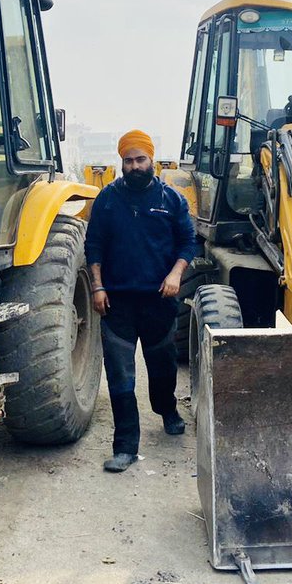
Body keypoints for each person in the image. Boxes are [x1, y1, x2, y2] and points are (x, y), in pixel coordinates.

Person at [84, 129, 196, 473]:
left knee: (162, 368)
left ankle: (167, 408)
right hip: (116, 302)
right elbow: (94, 245)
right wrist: (98, 288)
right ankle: (125, 447)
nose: (134, 166)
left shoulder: (171, 200)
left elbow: (188, 242)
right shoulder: (107, 199)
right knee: (120, 375)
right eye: (128, 160)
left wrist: (176, 274)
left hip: (159, 299)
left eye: (140, 159)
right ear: (122, 163)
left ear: (151, 160)